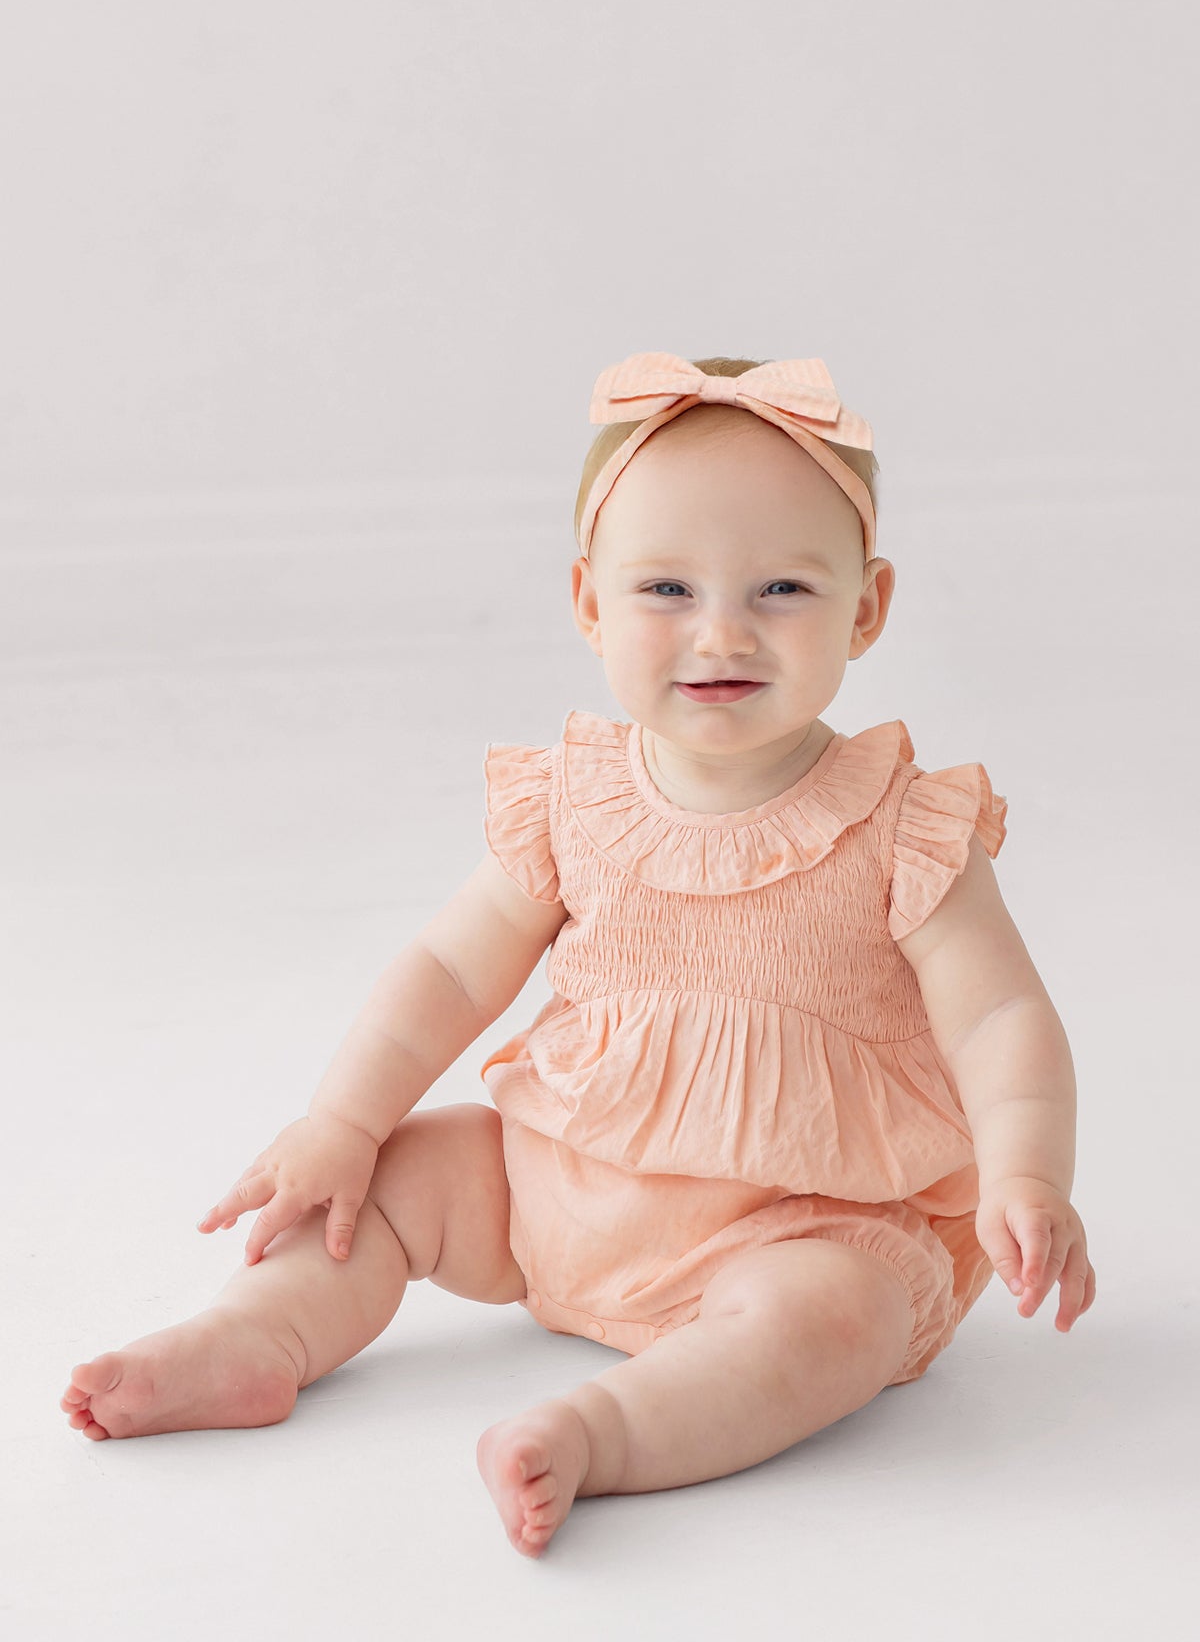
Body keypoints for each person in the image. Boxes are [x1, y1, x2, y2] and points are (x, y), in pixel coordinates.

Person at [60, 349, 1097, 1558]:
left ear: (866, 608)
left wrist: (1029, 1173)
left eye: (781, 591)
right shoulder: (575, 799)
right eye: (665, 588)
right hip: (558, 1185)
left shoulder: (901, 824)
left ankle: (607, 1432)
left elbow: (997, 1019)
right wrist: (342, 1121)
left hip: (799, 1223)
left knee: (837, 1317)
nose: (722, 631)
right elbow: (451, 971)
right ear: (589, 602)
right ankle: (259, 1337)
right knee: (386, 1185)